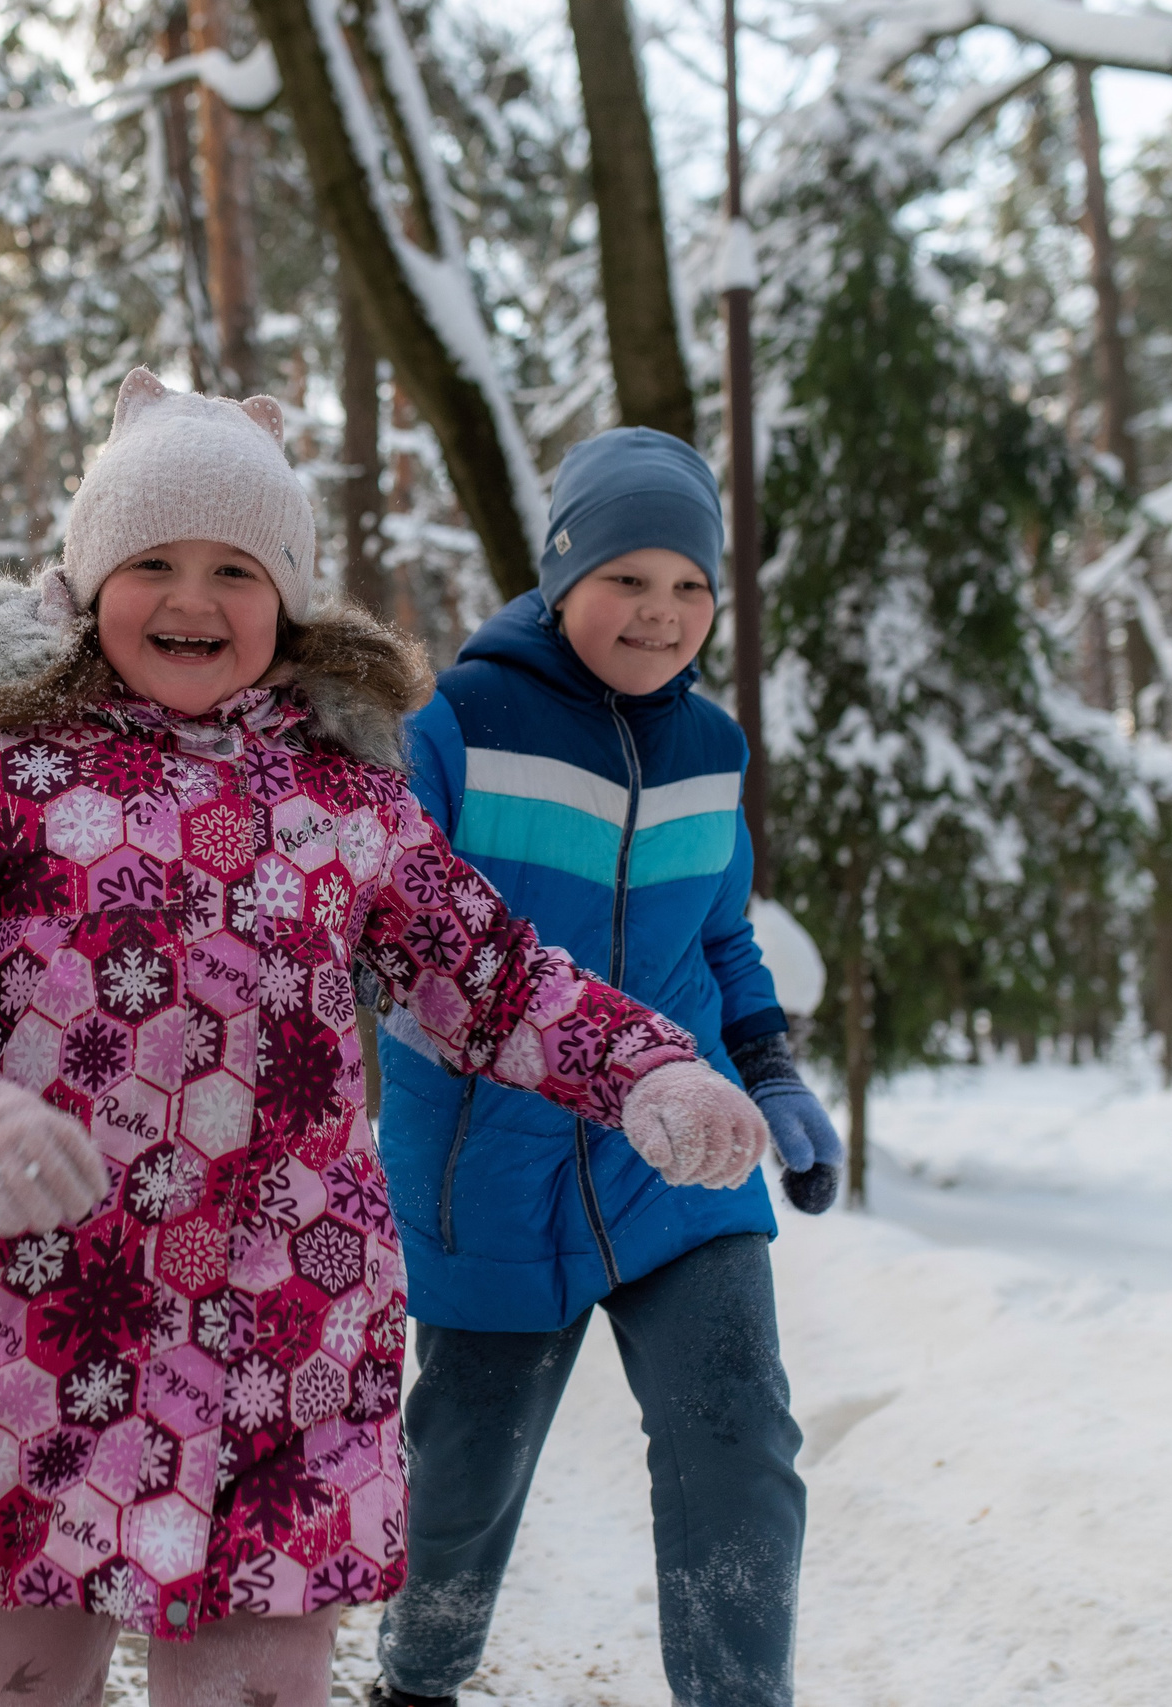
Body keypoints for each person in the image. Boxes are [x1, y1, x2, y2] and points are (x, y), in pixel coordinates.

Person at [0, 372, 774, 1707]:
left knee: (256, 1684)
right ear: (86, 582)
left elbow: (487, 973)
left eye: (236, 569)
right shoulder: (0, 767)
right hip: (26, 1318)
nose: (194, 599)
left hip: (278, 1321)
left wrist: (644, 1063)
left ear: (290, 596)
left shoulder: (345, 791)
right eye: (155, 563)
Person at [368, 428, 845, 1707]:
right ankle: (414, 1681)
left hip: (680, 1152)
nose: (662, 613)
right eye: (629, 578)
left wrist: (772, 1070)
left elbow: (721, 932)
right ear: (561, 575)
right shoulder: (456, 724)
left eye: (690, 585)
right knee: (467, 1472)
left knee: (740, 1435)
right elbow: (405, 932)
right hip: (490, 1159)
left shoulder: (714, 750)